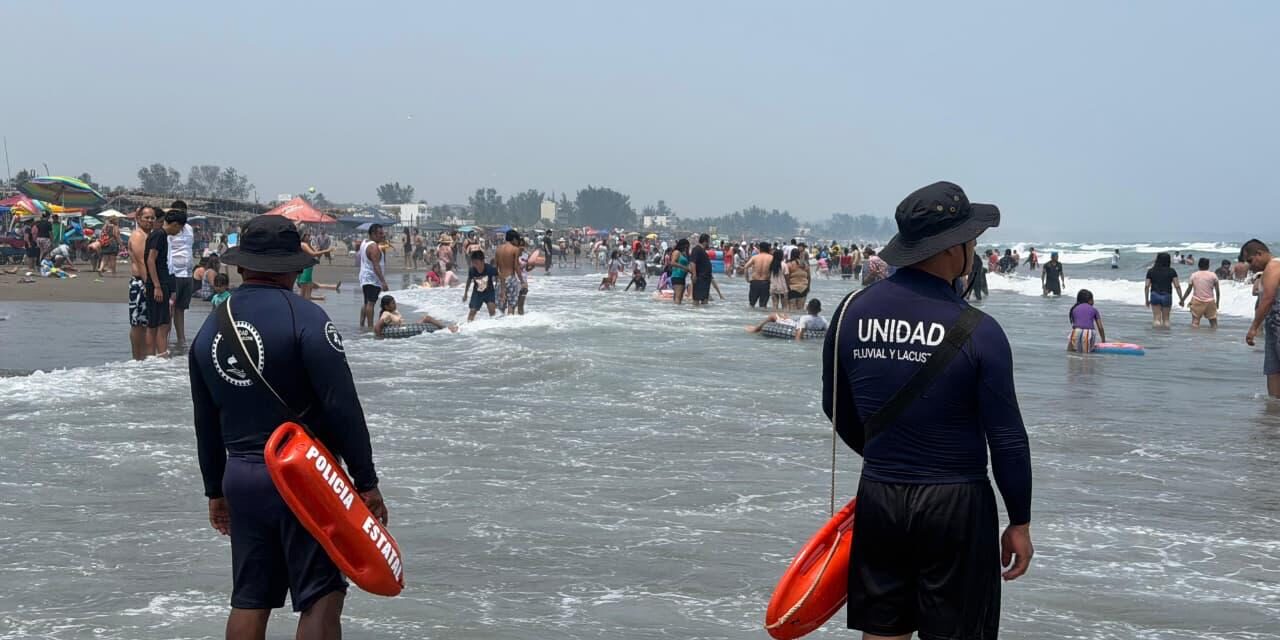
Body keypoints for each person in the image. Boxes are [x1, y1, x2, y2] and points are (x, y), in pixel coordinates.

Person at [822, 181, 1031, 640]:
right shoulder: (981, 331)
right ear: (952, 249)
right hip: (955, 503)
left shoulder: (851, 310)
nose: (974, 250)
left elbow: (834, 405)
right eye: (972, 240)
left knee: (882, 633)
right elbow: (1008, 439)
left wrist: (891, 457)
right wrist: (1019, 521)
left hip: (879, 495)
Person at [188, 215, 388, 640]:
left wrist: (214, 491)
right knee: (321, 596)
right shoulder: (307, 319)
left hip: (241, 477)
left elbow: (205, 422)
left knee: (250, 598)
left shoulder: (209, 329)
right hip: (303, 476)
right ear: (294, 266)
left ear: (242, 266)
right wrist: (365, 481)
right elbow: (342, 407)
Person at [1241, 239, 1280, 398]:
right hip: (1273, 325)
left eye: (1250, 260)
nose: (1250, 265)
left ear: (1260, 253)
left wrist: (1254, 327)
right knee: (1272, 370)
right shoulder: (1268, 270)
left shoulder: (1273, 266)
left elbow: (1268, 299)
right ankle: (1273, 413)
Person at [146, 210, 182, 357]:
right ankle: (161, 358)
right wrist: (157, 286)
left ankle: (151, 359)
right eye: (179, 228)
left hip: (158, 282)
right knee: (162, 324)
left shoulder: (158, 234)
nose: (179, 232)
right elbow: (150, 260)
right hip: (158, 283)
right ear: (174, 224)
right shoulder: (159, 235)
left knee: (154, 323)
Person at [127, 207, 157, 360]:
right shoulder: (138, 236)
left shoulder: (149, 235)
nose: (150, 220)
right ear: (138, 219)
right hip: (140, 283)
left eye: (152, 218)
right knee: (138, 324)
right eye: (146, 217)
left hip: (145, 282)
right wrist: (149, 285)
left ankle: (143, 359)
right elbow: (141, 262)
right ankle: (137, 358)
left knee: (145, 323)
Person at [166, 205, 196, 347]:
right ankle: (164, 339)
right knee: (170, 309)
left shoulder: (189, 229)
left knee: (181, 308)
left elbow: (190, 248)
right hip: (174, 273)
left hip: (187, 273)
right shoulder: (169, 229)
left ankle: (181, 340)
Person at [746, 298, 828, 340]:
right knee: (784, 316)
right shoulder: (823, 319)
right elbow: (828, 332)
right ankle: (785, 318)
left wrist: (798, 344)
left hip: (793, 326)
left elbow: (799, 333)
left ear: (808, 307)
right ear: (819, 310)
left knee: (773, 315)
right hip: (796, 323)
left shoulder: (805, 318)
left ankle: (756, 329)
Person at [357, 224, 390, 331]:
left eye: (382, 233)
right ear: (373, 234)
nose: (382, 235)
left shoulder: (365, 243)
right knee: (371, 303)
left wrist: (383, 249)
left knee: (366, 302)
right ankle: (370, 327)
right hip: (372, 279)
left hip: (365, 277)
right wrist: (383, 281)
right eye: (380, 233)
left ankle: (362, 324)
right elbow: (376, 266)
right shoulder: (374, 247)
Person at [373, 295, 456, 336]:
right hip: (401, 330)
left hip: (405, 327)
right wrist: (381, 337)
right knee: (427, 318)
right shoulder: (386, 314)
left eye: (394, 302)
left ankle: (445, 328)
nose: (395, 305)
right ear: (386, 306)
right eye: (393, 303)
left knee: (425, 318)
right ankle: (447, 328)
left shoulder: (394, 312)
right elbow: (377, 327)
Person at [1144, 252, 1183, 328]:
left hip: (1154, 295)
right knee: (1166, 320)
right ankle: (1166, 338)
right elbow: (1177, 286)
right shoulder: (1172, 271)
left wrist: (1146, 300)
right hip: (1167, 295)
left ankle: (1156, 337)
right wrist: (1181, 299)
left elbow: (1146, 286)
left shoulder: (1151, 271)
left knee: (1156, 319)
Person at [1180, 257, 1221, 329]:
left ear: (1198, 265)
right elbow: (1217, 291)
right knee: (1213, 322)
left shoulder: (1194, 275)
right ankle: (1214, 338)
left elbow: (1189, 290)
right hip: (1210, 301)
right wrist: (1217, 302)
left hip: (1197, 301)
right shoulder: (1213, 275)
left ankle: (1195, 339)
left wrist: (1182, 299)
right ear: (1208, 265)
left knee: (1195, 322)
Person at [298, 231, 339, 301]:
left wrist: (311, 245)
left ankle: (307, 308)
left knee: (308, 293)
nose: (308, 237)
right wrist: (327, 250)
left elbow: (316, 252)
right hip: (305, 270)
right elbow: (313, 253)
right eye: (306, 235)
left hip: (308, 269)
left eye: (309, 235)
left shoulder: (307, 245)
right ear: (303, 236)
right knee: (303, 294)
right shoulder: (303, 244)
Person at [495, 230, 525, 314]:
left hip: (500, 280)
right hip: (511, 278)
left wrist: (496, 280)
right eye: (517, 240)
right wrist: (522, 281)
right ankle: (510, 325)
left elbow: (495, 267)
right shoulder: (515, 249)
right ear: (514, 239)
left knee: (500, 307)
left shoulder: (498, 249)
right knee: (511, 305)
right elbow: (516, 267)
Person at [463, 250, 498, 321]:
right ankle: (468, 326)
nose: (475, 265)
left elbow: (500, 276)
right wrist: (465, 293)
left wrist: (501, 289)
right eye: (473, 263)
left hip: (489, 292)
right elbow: (469, 281)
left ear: (483, 261)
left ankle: (494, 326)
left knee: (492, 311)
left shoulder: (489, 269)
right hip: (477, 293)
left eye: (476, 263)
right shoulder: (472, 270)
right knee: (472, 312)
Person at [745, 242, 773, 309]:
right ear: (768, 248)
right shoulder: (771, 258)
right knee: (763, 306)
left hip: (755, 282)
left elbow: (746, 267)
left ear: (760, 248)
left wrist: (747, 279)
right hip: (766, 282)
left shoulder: (755, 257)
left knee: (751, 305)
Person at [689, 233, 714, 305]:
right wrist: (694, 274)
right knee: (696, 299)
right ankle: (696, 314)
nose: (709, 243)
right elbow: (692, 262)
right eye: (708, 241)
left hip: (705, 278)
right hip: (700, 278)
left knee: (705, 299)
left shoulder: (702, 250)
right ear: (705, 241)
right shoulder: (696, 249)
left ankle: (703, 315)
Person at [669, 239, 691, 305]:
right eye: (686, 246)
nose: (686, 248)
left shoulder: (683, 254)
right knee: (678, 297)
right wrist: (684, 267)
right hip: (677, 276)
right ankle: (677, 312)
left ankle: (676, 311)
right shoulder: (677, 252)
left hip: (681, 277)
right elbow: (672, 262)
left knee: (679, 297)